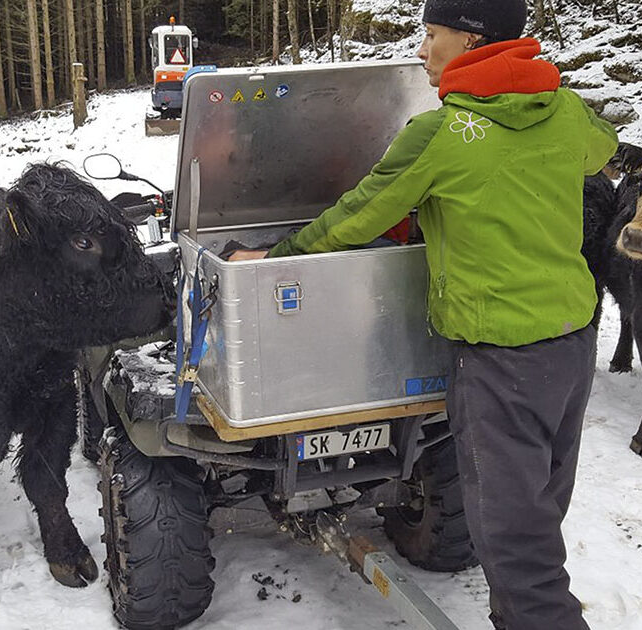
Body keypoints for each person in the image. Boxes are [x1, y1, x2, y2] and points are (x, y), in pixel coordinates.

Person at [229, 0, 617, 627]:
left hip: (500, 361)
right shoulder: (566, 111)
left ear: (470, 41)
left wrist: (276, 255)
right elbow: (603, 146)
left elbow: (359, 216)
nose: (421, 48)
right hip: (571, 344)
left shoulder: (443, 134)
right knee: (538, 512)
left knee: (515, 546)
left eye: (432, 34)